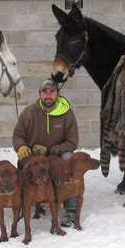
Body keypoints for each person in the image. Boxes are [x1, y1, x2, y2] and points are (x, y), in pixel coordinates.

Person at [13, 78, 79, 227]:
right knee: (25, 165)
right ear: (39, 94)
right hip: (35, 158)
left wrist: (51, 150)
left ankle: (71, 209)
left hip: (56, 157)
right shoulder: (29, 112)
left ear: (58, 94)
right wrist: (21, 146)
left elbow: (72, 142)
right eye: (44, 92)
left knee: (69, 158)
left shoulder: (67, 114)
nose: (48, 95)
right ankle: (30, 203)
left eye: (52, 92)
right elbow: (18, 134)